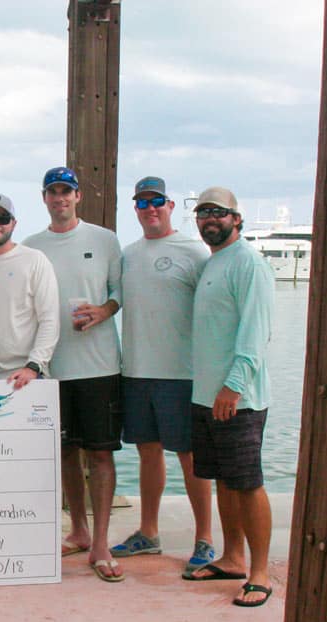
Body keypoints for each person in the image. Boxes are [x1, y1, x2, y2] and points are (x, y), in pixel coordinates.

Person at [22, 167, 124, 583]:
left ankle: (100, 543)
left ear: (78, 197)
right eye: (53, 192)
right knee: (64, 453)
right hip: (51, 368)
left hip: (100, 367)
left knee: (100, 454)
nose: (59, 198)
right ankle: (78, 530)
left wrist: (104, 311)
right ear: (43, 197)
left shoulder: (105, 239)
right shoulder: (30, 246)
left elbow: (121, 293)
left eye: (67, 191)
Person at [110, 176, 215, 576]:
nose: (149, 208)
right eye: (141, 203)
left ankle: (204, 538)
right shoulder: (129, 254)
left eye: (156, 201)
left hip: (182, 375)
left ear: (170, 206)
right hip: (136, 371)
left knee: (190, 457)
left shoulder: (194, 251)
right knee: (147, 452)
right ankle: (148, 533)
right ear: (135, 209)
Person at [183, 186, 275, 609]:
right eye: (202, 212)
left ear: (237, 219)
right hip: (206, 396)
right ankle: (233, 557)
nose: (209, 219)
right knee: (222, 479)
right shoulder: (213, 263)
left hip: (238, 398)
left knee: (247, 482)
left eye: (218, 212)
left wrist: (233, 386)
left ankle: (260, 572)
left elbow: (255, 334)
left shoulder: (249, 263)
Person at [0, 193, 59, 390]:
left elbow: (50, 319)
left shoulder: (35, 260)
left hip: (26, 377)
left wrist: (34, 366)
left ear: (14, 223)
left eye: (3, 219)